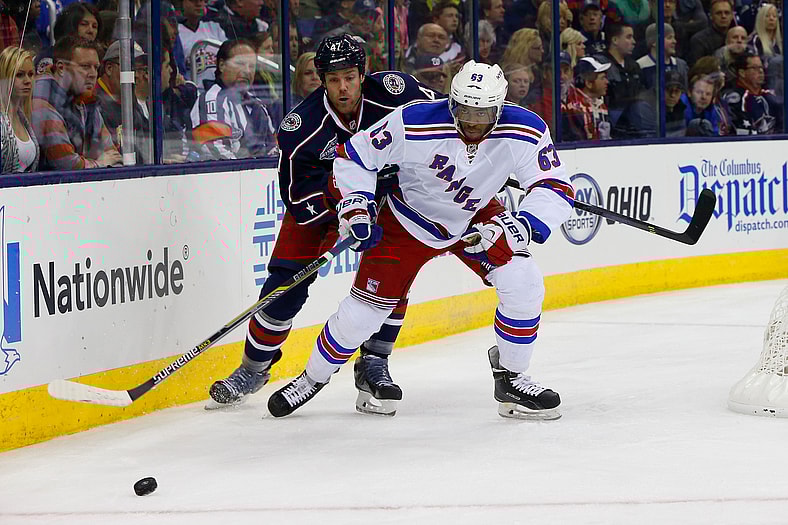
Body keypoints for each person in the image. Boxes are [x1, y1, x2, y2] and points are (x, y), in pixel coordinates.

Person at [267, 60, 574, 421]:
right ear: (451, 101)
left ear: (500, 107)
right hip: (406, 221)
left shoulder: (526, 130)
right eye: (464, 110)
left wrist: (520, 225)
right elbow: (355, 156)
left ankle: (511, 376)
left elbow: (554, 186)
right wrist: (356, 207)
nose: (473, 121)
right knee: (364, 313)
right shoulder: (414, 120)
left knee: (523, 282)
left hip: (475, 217)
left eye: (484, 112)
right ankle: (312, 378)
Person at [206, 34, 442, 416]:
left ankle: (373, 364)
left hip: (388, 201)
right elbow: (296, 195)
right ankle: (253, 369)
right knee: (283, 286)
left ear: (363, 73)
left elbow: (445, 119)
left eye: (350, 76)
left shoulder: (395, 93)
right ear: (321, 79)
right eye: (333, 79)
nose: (343, 87)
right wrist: (343, 208)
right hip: (323, 206)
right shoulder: (302, 127)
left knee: (390, 280)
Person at [32, 36, 121, 170]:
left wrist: (102, 161)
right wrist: (100, 163)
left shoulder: (84, 98)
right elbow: (66, 164)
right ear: (61, 68)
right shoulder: (42, 99)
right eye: (85, 67)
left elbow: (113, 155)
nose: (93, 74)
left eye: (95, 68)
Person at [190, 38, 276, 160]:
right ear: (221, 65)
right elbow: (213, 149)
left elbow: (274, 148)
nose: (247, 71)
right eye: (240, 63)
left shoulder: (258, 105)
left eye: (251, 66)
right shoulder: (211, 99)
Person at [95, 41, 151, 163]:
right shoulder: (93, 103)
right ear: (109, 68)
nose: (136, 75)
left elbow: (144, 145)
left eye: (139, 69)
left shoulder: (131, 101)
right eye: (130, 68)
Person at [595, 22, 644, 138]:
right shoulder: (600, 63)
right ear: (615, 40)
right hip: (611, 126)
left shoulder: (634, 66)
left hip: (635, 126)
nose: (633, 42)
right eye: (628, 37)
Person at [721, 51, 781, 134]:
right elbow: (741, 131)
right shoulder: (735, 98)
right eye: (754, 68)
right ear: (742, 73)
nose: (760, 71)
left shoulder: (770, 96)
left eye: (761, 67)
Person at [0, 47, 39, 173]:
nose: (27, 81)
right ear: (4, 77)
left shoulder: (23, 118)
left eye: (31, 74)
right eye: (19, 75)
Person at [177, 0, 228, 87]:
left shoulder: (214, 27)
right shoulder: (176, 31)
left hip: (221, 88)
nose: (199, 4)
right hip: (196, 91)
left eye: (203, 0)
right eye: (193, 1)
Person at [562, 56, 611, 141]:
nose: (607, 82)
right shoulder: (574, 107)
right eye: (602, 78)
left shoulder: (601, 105)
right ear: (588, 83)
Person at [636, 23, 688, 90]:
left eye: (674, 38)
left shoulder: (681, 65)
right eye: (669, 38)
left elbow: (684, 93)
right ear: (654, 42)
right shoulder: (640, 65)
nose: (674, 41)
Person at [687, 0, 734, 67]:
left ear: (732, 15)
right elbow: (696, 69)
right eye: (718, 13)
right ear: (711, 16)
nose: (723, 16)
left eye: (727, 13)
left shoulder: (738, 37)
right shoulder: (699, 40)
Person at [664, 70, 687, 137]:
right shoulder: (655, 112)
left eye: (677, 91)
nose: (672, 95)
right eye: (668, 90)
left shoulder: (681, 109)